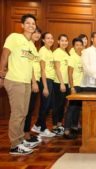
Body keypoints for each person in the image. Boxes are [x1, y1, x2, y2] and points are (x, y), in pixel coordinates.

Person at [0, 14, 40, 155]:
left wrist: (33, 81)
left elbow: (31, 66)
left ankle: (20, 139)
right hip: (15, 80)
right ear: (22, 25)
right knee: (17, 114)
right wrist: (0, 74)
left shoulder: (31, 45)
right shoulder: (14, 37)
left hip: (26, 82)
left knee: (23, 113)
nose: (31, 25)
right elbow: (5, 54)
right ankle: (14, 145)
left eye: (33, 23)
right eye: (28, 23)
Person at [31, 32, 56, 138]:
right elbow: (42, 69)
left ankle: (37, 125)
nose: (50, 40)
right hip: (45, 80)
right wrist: (45, 86)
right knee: (45, 104)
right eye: (48, 38)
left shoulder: (50, 51)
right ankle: (43, 128)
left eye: (51, 38)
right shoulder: (42, 51)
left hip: (51, 80)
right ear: (43, 40)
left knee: (48, 104)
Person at [24, 26, 42, 143]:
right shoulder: (27, 45)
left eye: (38, 33)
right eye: (35, 32)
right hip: (30, 81)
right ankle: (25, 135)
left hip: (36, 80)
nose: (37, 34)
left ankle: (27, 132)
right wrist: (34, 81)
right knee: (27, 109)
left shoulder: (34, 47)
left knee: (30, 109)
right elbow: (28, 65)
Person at [63, 38, 84, 139]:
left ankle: (74, 127)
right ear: (74, 46)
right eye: (77, 45)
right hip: (75, 85)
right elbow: (69, 73)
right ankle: (66, 130)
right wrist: (71, 87)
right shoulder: (72, 57)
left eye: (81, 45)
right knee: (71, 108)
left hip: (82, 86)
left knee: (77, 108)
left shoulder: (83, 57)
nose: (79, 46)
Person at [52, 34, 70, 136]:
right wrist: (62, 83)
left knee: (62, 105)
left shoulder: (66, 53)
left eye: (66, 41)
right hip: (59, 83)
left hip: (66, 83)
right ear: (58, 42)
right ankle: (54, 126)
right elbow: (57, 69)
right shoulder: (57, 52)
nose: (64, 42)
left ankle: (59, 125)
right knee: (57, 105)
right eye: (62, 40)